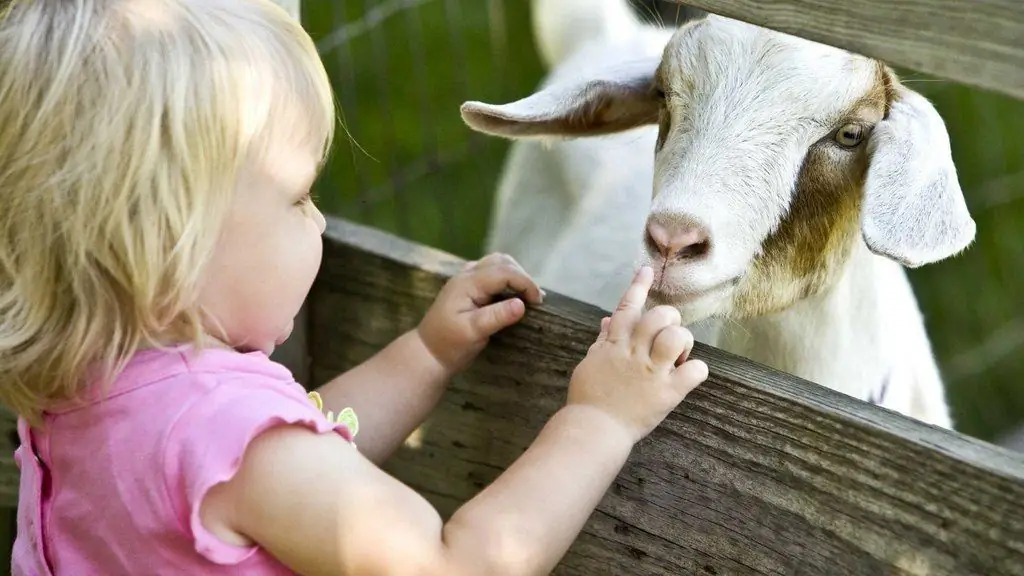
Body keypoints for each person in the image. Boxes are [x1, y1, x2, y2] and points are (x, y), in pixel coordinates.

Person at [0, 0, 710, 574]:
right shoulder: (230, 442)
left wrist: (424, 357)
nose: (317, 217)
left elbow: (299, 451)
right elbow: (459, 566)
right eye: (300, 194)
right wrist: (600, 421)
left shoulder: (95, 386)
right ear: (170, 244)